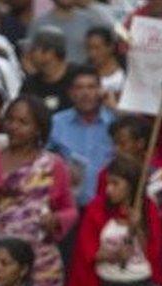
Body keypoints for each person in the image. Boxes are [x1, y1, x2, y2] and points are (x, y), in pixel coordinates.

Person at [0, 95, 78, 286]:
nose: (14, 126)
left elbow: (69, 209)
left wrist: (56, 220)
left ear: (38, 128)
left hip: (41, 264)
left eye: (23, 122)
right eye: (10, 120)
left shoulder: (53, 164)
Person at [66, 154, 162, 286]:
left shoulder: (147, 208)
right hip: (107, 285)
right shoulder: (97, 208)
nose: (108, 189)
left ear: (131, 185)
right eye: (107, 183)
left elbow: (153, 251)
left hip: (141, 282)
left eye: (115, 184)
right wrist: (114, 255)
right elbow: (87, 250)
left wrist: (137, 227)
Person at [49, 66, 116, 207]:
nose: (85, 93)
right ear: (71, 93)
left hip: (108, 206)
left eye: (91, 87)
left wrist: (116, 108)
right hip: (70, 206)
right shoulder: (57, 122)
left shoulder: (114, 121)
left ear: (100, 91)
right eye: (79, 88)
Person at [21, 27, 79, 113]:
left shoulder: (79, 76)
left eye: (33, 49)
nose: (29, 54)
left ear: (49, 53)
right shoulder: (30, 84)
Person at [28, 0, 105, 65]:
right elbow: (28, 57)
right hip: (50, 81)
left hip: (82, 79)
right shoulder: (38, 24)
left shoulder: (90, 20)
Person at [85, 27, 125, 99]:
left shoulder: (127, 69)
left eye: (97, 48)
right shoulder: (85, 71)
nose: (92, 53)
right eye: (89, 48)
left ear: (110, 47)